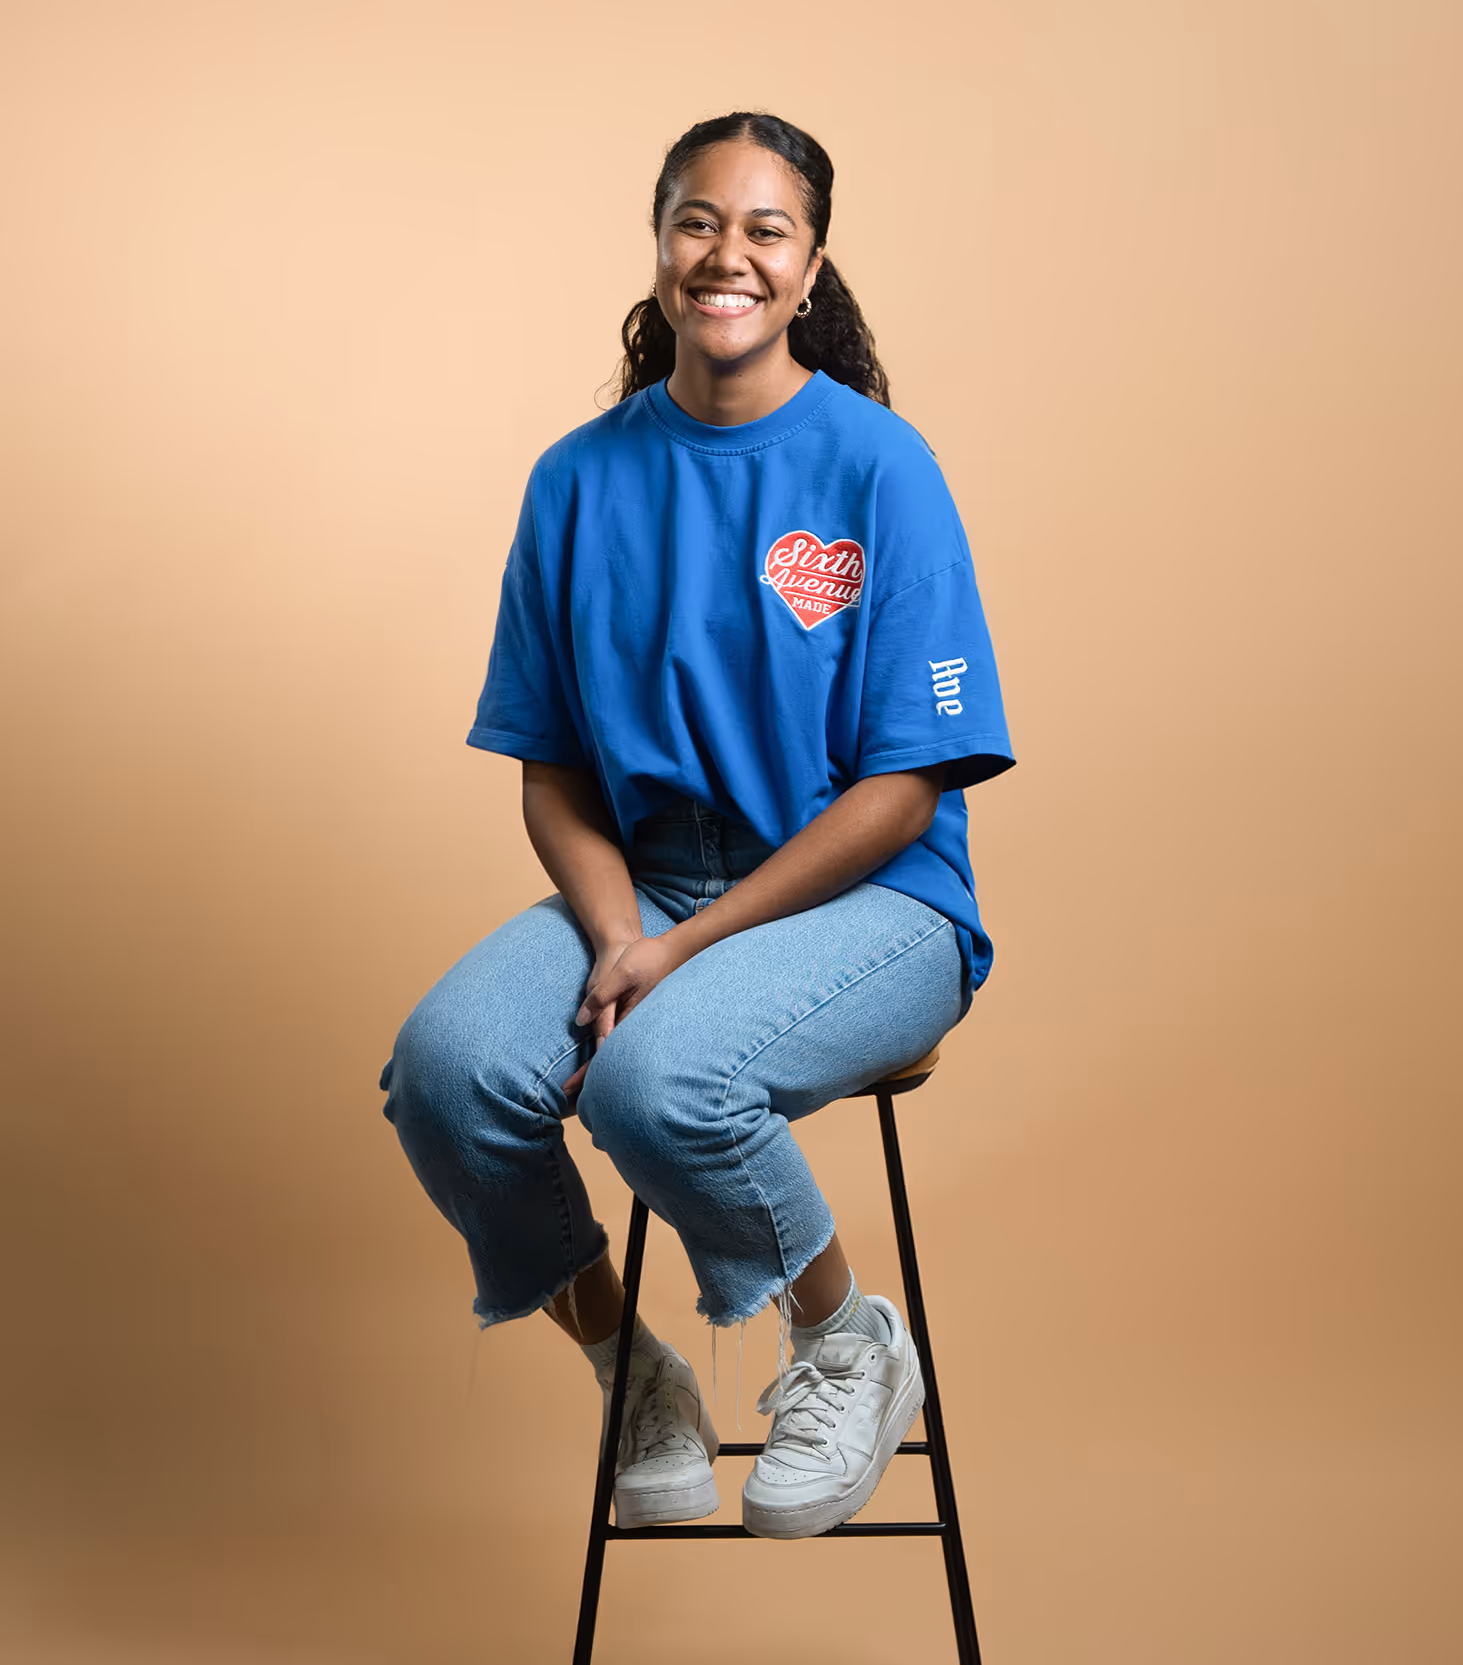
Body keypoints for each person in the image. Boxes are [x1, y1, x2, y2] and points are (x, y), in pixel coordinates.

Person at [380, 111, 1014, 1539]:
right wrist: (620, 933)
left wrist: (682, 954)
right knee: (447, 1066)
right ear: (659, 241)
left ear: (808, 266)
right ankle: (629, 1372)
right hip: (648, 884)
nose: (725, 254)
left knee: (649, 1079)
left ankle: (846, 1338)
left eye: (765, 228)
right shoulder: (577, 478)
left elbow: (902, 787)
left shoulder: (878, 467)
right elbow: (547, 765)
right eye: (695, 220)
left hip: (876, 904)